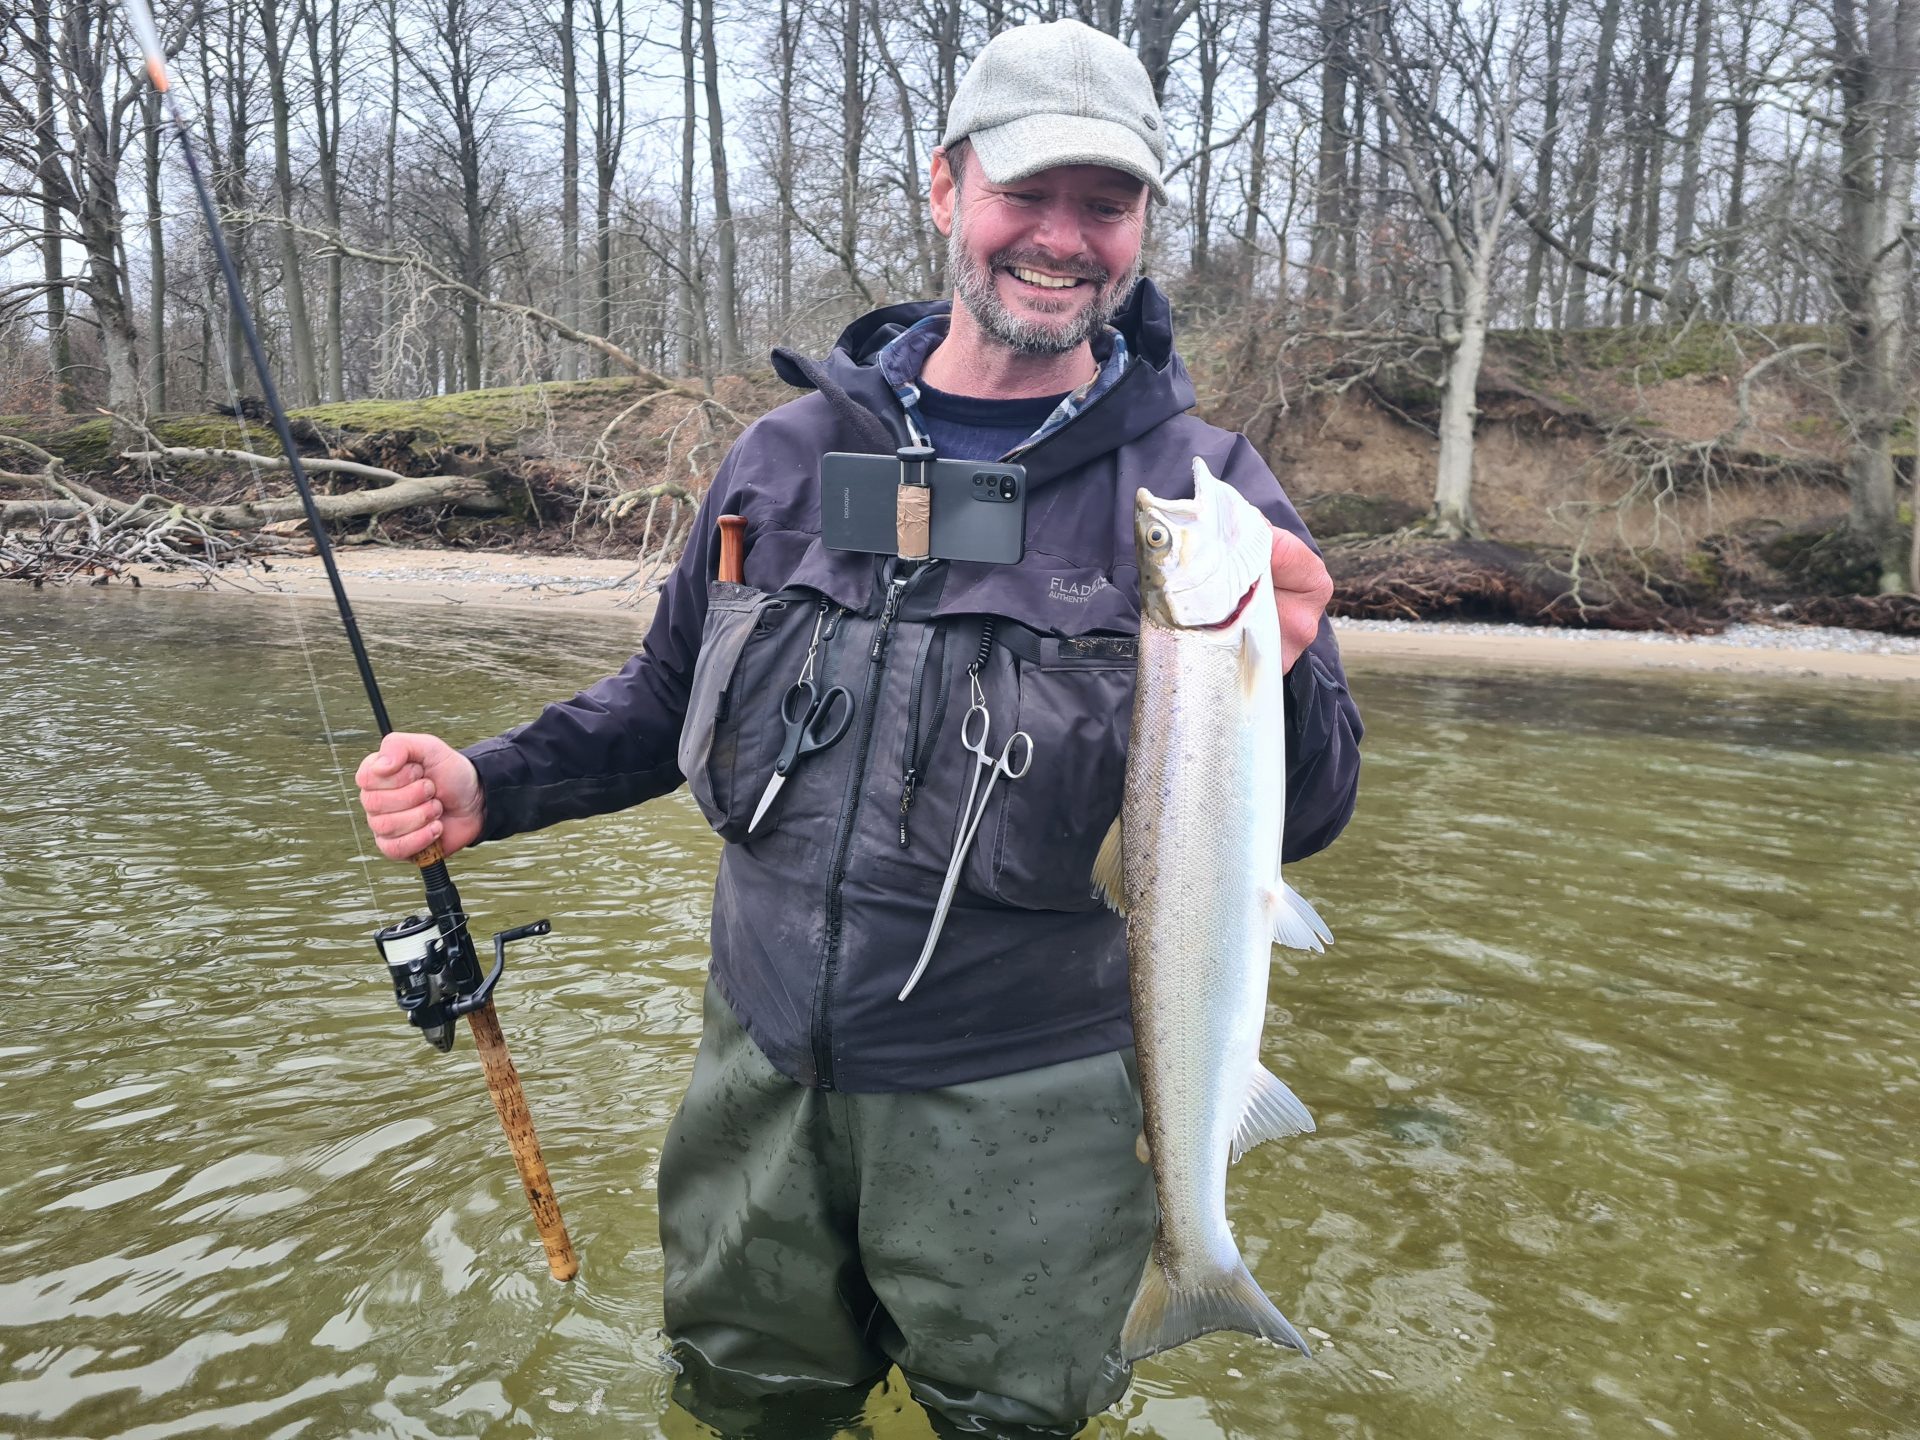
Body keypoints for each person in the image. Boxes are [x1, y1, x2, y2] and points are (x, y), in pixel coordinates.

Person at [355, 18, 1362, 1437]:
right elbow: (663, 699)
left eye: (1108, 203)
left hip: (1030, 1116)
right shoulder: (784, 459)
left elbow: (1305, 816)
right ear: (946, 189)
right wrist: (486, 785)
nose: (1065, 240)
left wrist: (1296, 666)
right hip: (756, 1083)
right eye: (1029, 193)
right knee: (742, 1407)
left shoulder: (1201, 493)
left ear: (1142, 226)